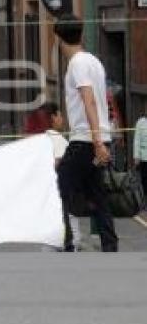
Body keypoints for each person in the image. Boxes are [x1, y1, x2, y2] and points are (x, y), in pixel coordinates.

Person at [54, 14, 118, 252]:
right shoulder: (94, 61)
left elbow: (89, 100)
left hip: (85, 140)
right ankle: (110, 244)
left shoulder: (77, 64)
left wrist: (97, 141)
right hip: (98, 138)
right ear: (80, 35)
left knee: (58, 185)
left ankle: (68, 241)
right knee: (97, 192)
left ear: (59, 40)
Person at [42, 102, 82, 250]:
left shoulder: (40, 139)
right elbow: (58, 165)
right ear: (53, 117)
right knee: (73, 237)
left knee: (49, 242)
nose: (62, 118)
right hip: (64, 197)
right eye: (60, 115)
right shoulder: (58, 140)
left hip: (48, 200)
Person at [133, 113, 147, 194]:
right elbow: (137, 140)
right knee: (145, 181)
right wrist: (136, 156)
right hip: (144, 157)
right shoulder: (140, 122)